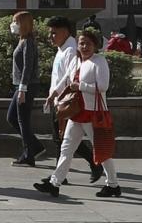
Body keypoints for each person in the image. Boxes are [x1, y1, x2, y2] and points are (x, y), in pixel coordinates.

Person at [35, 31, 120, 199]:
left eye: (88, 43)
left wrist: (80, 86)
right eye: (81, 43)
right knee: (66, 148)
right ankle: (54, 183)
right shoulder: (75, 60)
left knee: (101, 150)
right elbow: (65, 79)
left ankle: (113, 185)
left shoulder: (99, 61)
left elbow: (103, 86)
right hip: (76, 112)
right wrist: (53, 94)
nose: (84, 47)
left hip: (93, 113)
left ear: (95, 45)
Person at [41, 15, 97, 182]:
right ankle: (61, 176)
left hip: (67, 101)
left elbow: (70, 76)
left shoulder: (72, 49)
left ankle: (94, 164)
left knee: (65, 139)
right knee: (63, 138)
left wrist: (57, 94)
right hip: (59, 100)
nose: (50, 36)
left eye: (53, 33)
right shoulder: (63, 49)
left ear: (65, 32)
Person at [6, 11, 43, 165]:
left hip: (26, 86)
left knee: (21, 120)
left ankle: (29, 154)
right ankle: (35, 147)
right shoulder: (22, 41)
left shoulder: (28, 42)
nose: (13, 25)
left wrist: (22, 89)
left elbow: (28, 67)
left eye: (16, 22)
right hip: (21, 85)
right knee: (13, 118)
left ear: (23, 24)